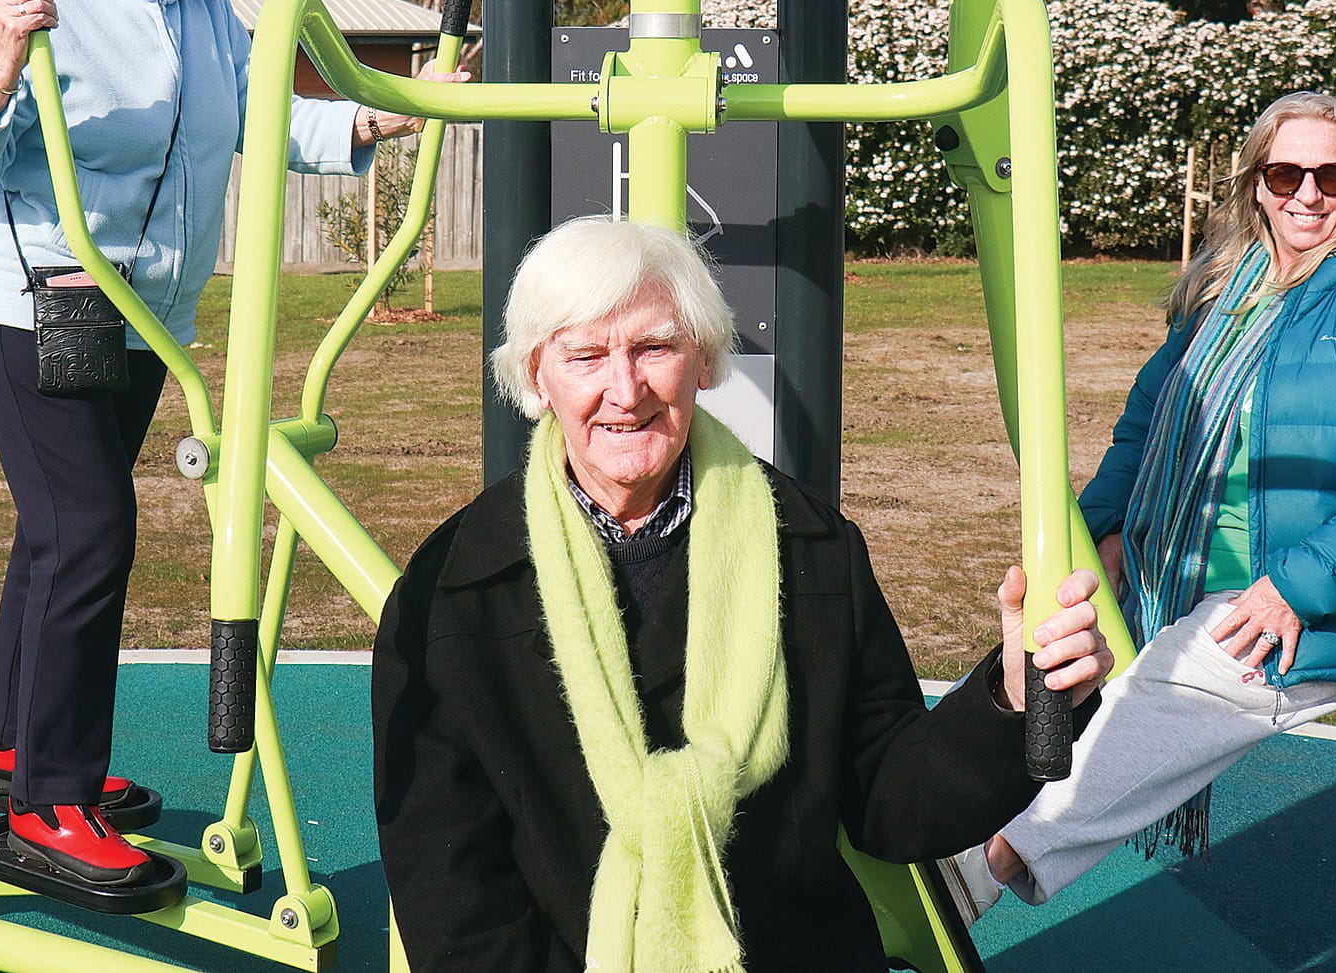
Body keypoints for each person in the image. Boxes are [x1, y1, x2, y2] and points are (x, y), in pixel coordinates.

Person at [0, 0, 451, 887]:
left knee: (54, 531)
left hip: (148, 317)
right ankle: (50, 798)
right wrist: (5, 61)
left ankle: (6, 740)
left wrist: (378, 112)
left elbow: (257, 113)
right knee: (89, 530)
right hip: (40, 300)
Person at [372, 216, 1114, 972]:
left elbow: (891, 796)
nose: (624, 390)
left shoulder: (811, 547)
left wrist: (1013, 701)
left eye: (654, 346)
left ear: (702, 358)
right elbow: (453, 890)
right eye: (587, 354)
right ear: (538, 375)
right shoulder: (451, 591)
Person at [960, 91, 1336, 912]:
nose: (1308, 194)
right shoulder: (1224, 297)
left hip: (1310, 598)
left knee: (1165, 686)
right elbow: (1145, 430)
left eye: (1332, 174)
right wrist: (1106, 530)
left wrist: (1294, 587)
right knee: (1052, 642)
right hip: (1178, 562)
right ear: (1256, 184)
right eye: (1286, 171)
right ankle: (932, 816)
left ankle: (975, 873)